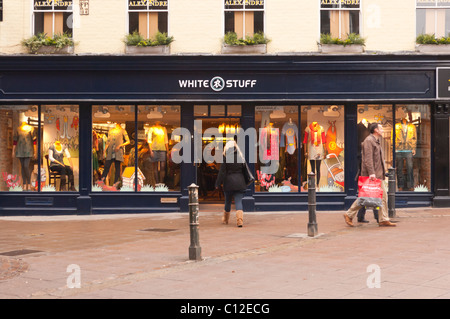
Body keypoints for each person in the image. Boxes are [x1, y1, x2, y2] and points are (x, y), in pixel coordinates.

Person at [344, 123, 396, 227]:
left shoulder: (376, 141)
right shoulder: (369, 141)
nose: (382, 129)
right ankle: (349, 214)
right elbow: (368, 159)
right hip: (372, 175)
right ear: (376, 130)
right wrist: (372, 173)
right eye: (381, 128)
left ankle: (383, 219)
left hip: (378, 174)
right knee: (365, 196)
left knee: (383, 197)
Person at [215, 140, 248, 227]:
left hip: (228, 183)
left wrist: (218, 183)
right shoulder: (241, 157)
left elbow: (222, 172)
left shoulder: (226, 158)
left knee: (228, 201)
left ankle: (225, 220)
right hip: (240, 182)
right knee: (238, 201)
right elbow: (245, 171)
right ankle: (239, 221)